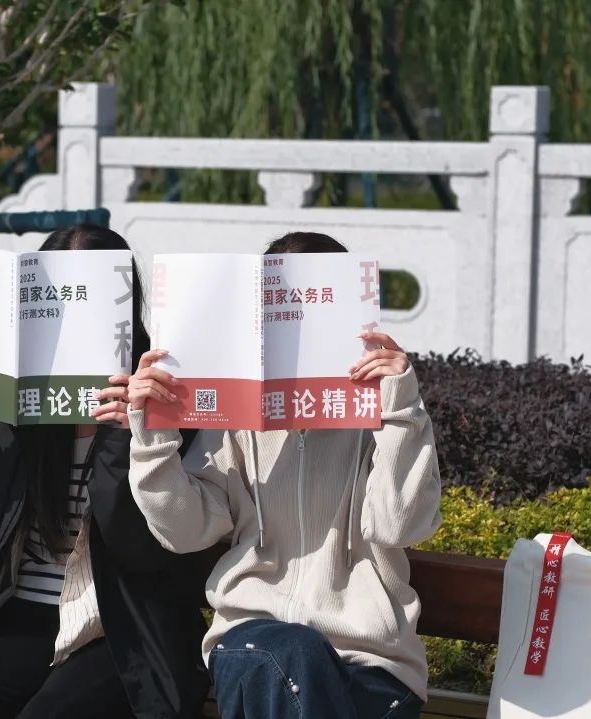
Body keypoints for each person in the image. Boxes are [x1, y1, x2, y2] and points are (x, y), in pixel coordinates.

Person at [0, 225, 213, 719]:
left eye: (86, 302)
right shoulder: (15, 396)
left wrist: (131, 433)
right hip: (22, 614)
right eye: (55, 306)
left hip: (126, 627)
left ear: (122, 304)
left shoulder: (160, 394)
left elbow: (142, 548)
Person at [126, 231, 442, 719]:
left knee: (307, 667)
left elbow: (398, 525)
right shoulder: (235, 418)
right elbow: (185, 531)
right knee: (292, 652)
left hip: (371, 661)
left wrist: (401, 410)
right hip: (253, 642)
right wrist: (153, 432)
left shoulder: (383, 412)